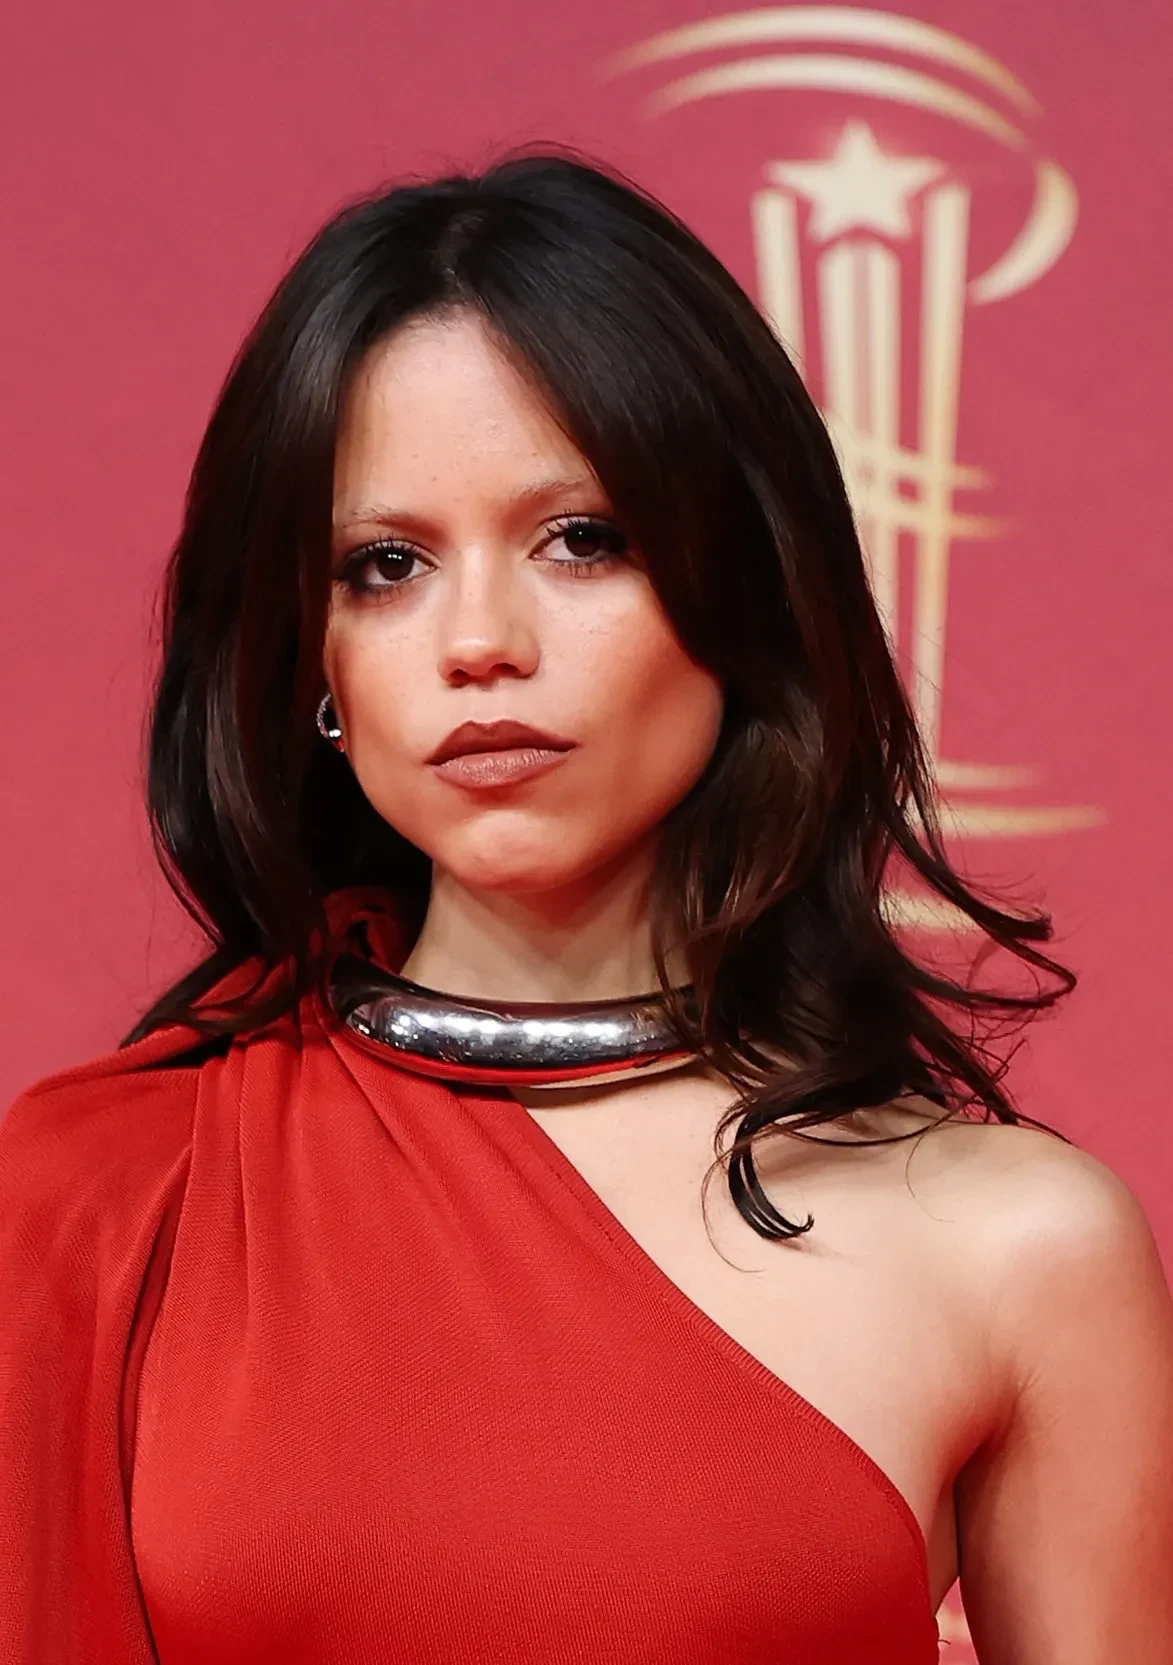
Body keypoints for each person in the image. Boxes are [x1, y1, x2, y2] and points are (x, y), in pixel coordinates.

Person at [1, 151, 1171, 1665]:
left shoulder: (1017, 1248)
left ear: (747, 593)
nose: (480, 640)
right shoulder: (97, 1202)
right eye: (384, 565)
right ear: (312, 668)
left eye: (582, 540)